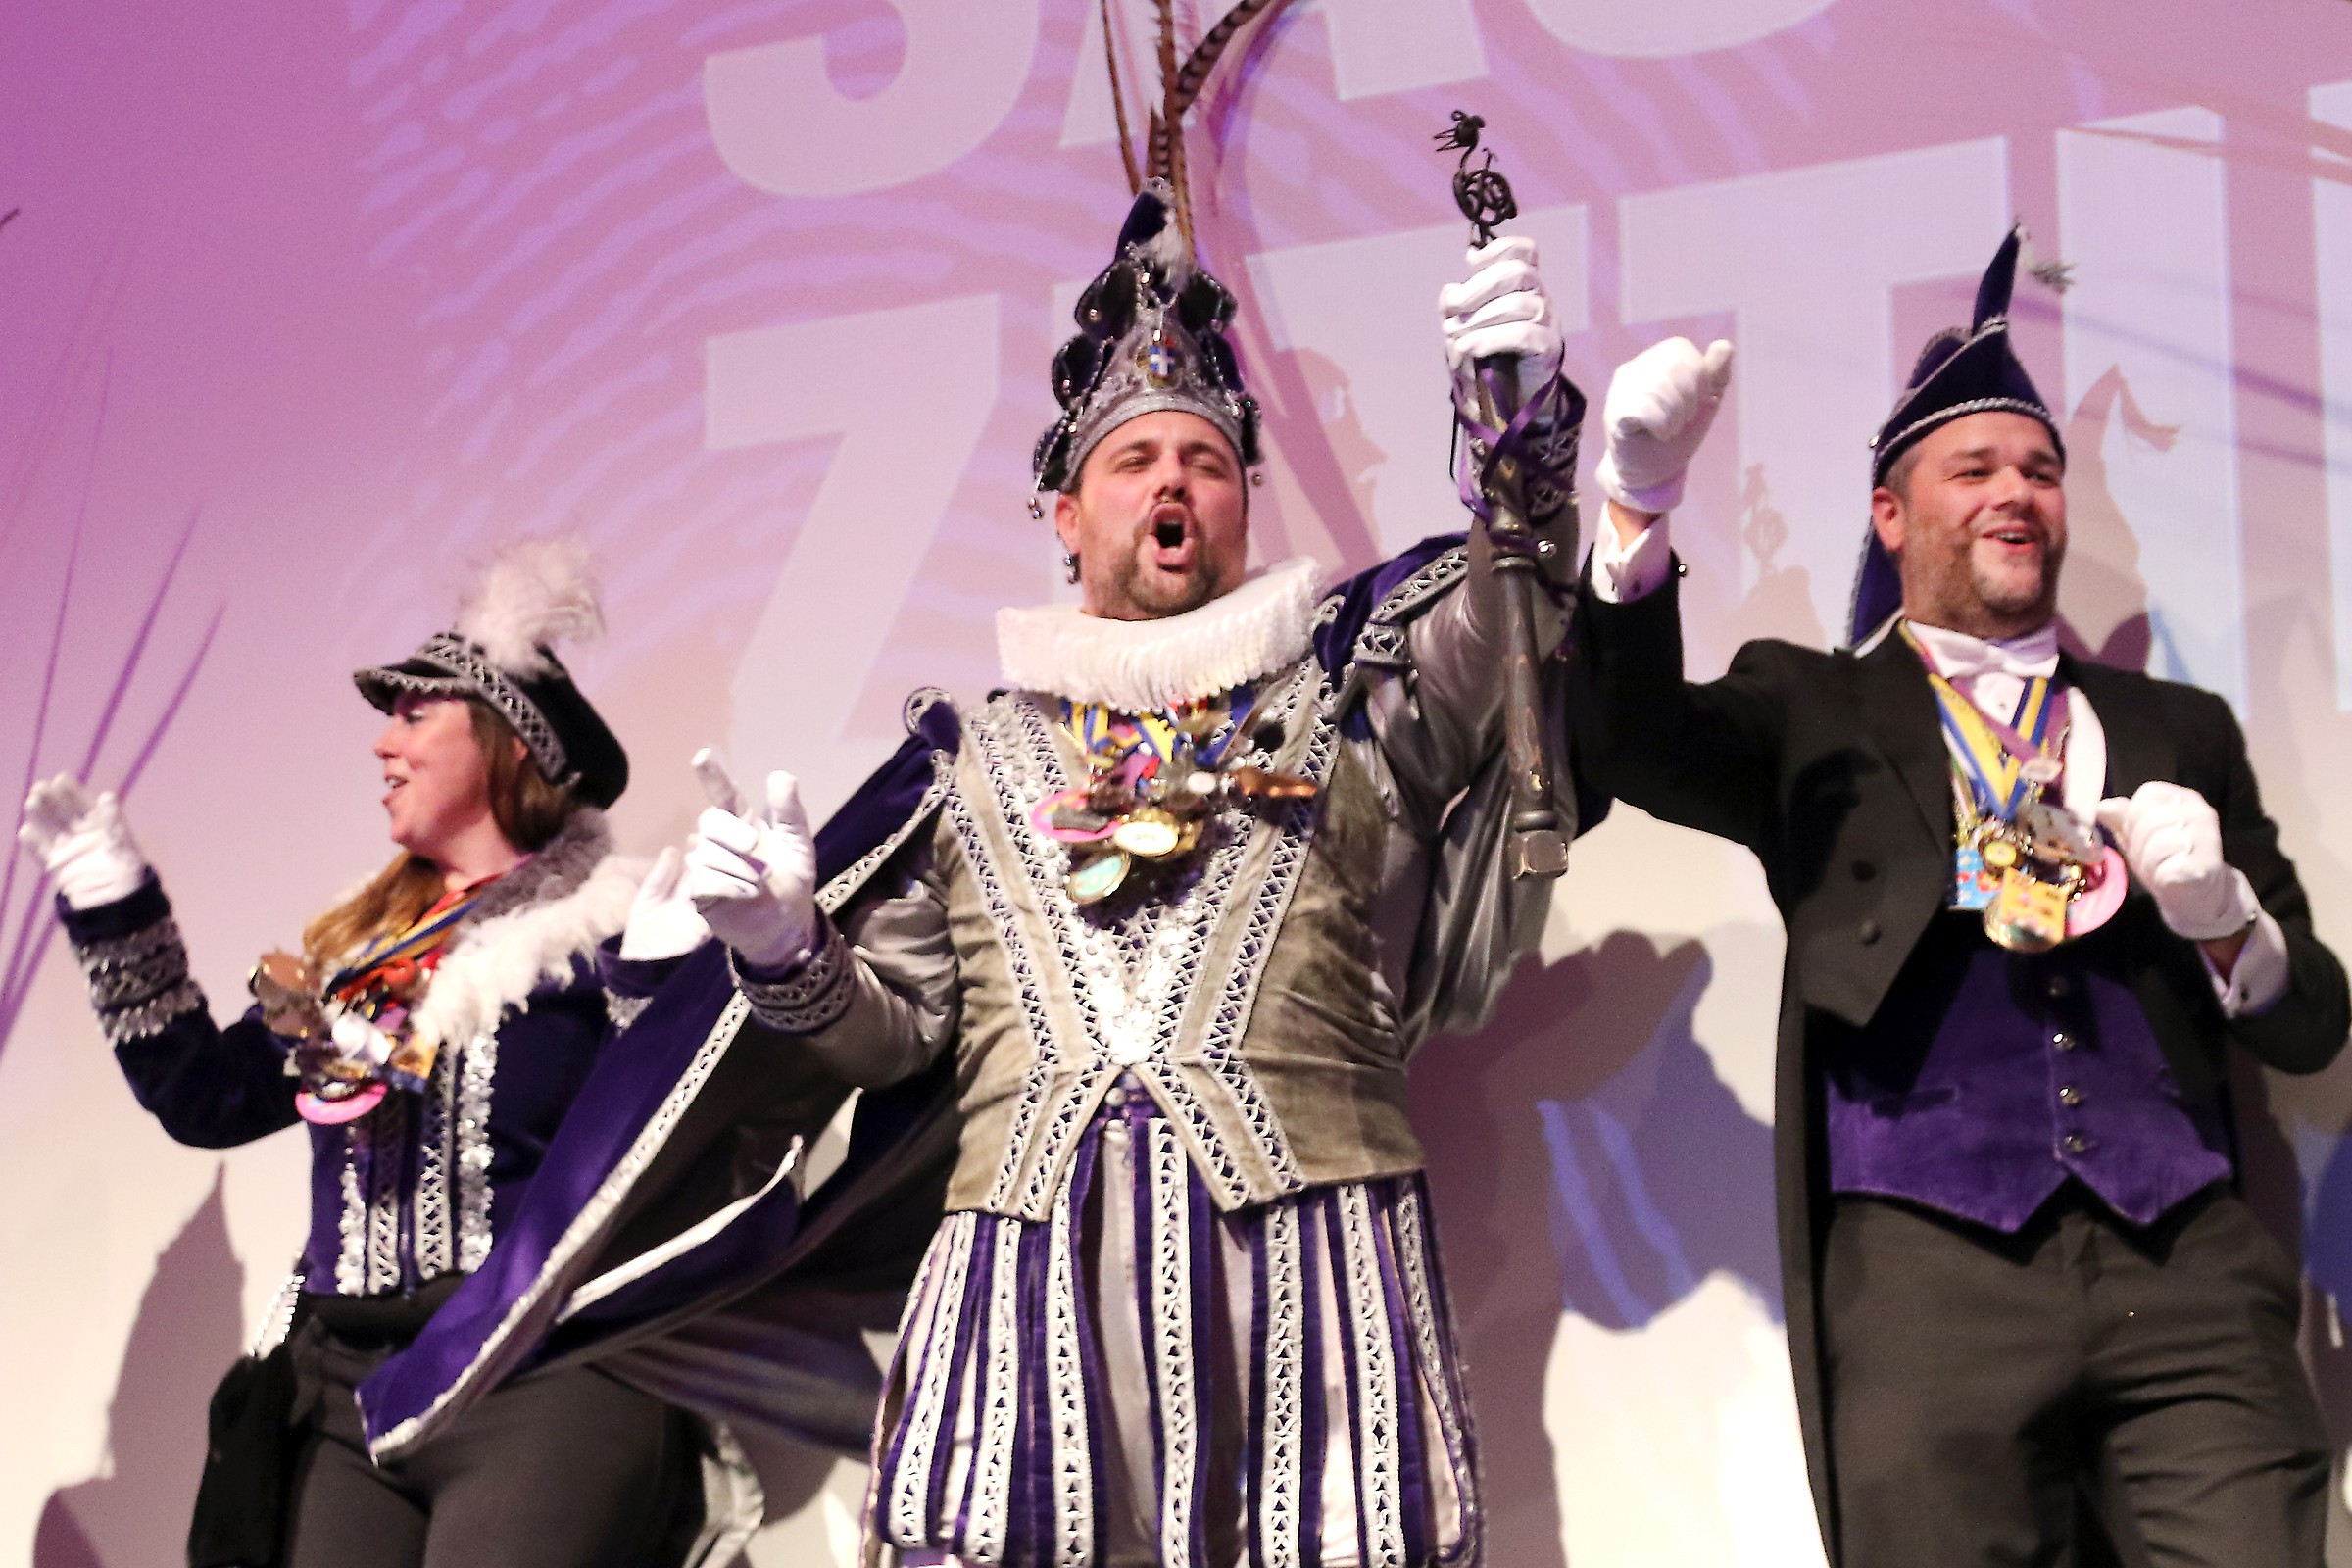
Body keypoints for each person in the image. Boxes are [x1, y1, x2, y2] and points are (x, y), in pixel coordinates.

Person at [660, 178, 1595, 1566]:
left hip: (1315, 1272)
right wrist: (785, 950)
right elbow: (896, 1036)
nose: (1172, 483)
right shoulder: (969, 763)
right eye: (1135, 460)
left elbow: (1511, 606)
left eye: (1205, 461)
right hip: (1025, 1285)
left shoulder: (1355, 702)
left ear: (1241, 504)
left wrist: (1518, 434)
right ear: (1066, 515)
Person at [1564, 227, 2349, 1564]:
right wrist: (1638, 506)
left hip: (2190, 1276)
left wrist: (2226, 919)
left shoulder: (2177, 728)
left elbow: (2314, 1022)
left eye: (2040, 470)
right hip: (1926, 1289)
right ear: (1891, 515)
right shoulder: (1813, 705)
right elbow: (1630, 740)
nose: (2016, 492)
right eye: (1974, 468)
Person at [17, 541, 714, 1568]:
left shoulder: (609, 927)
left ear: (510, 743)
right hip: (350, 1391)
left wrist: (684, 980)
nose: (383, 744)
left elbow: (686, 1138)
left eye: (414, 715)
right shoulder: (369, 960)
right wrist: (112, 902)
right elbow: (206, 1100)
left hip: (539, 1375)